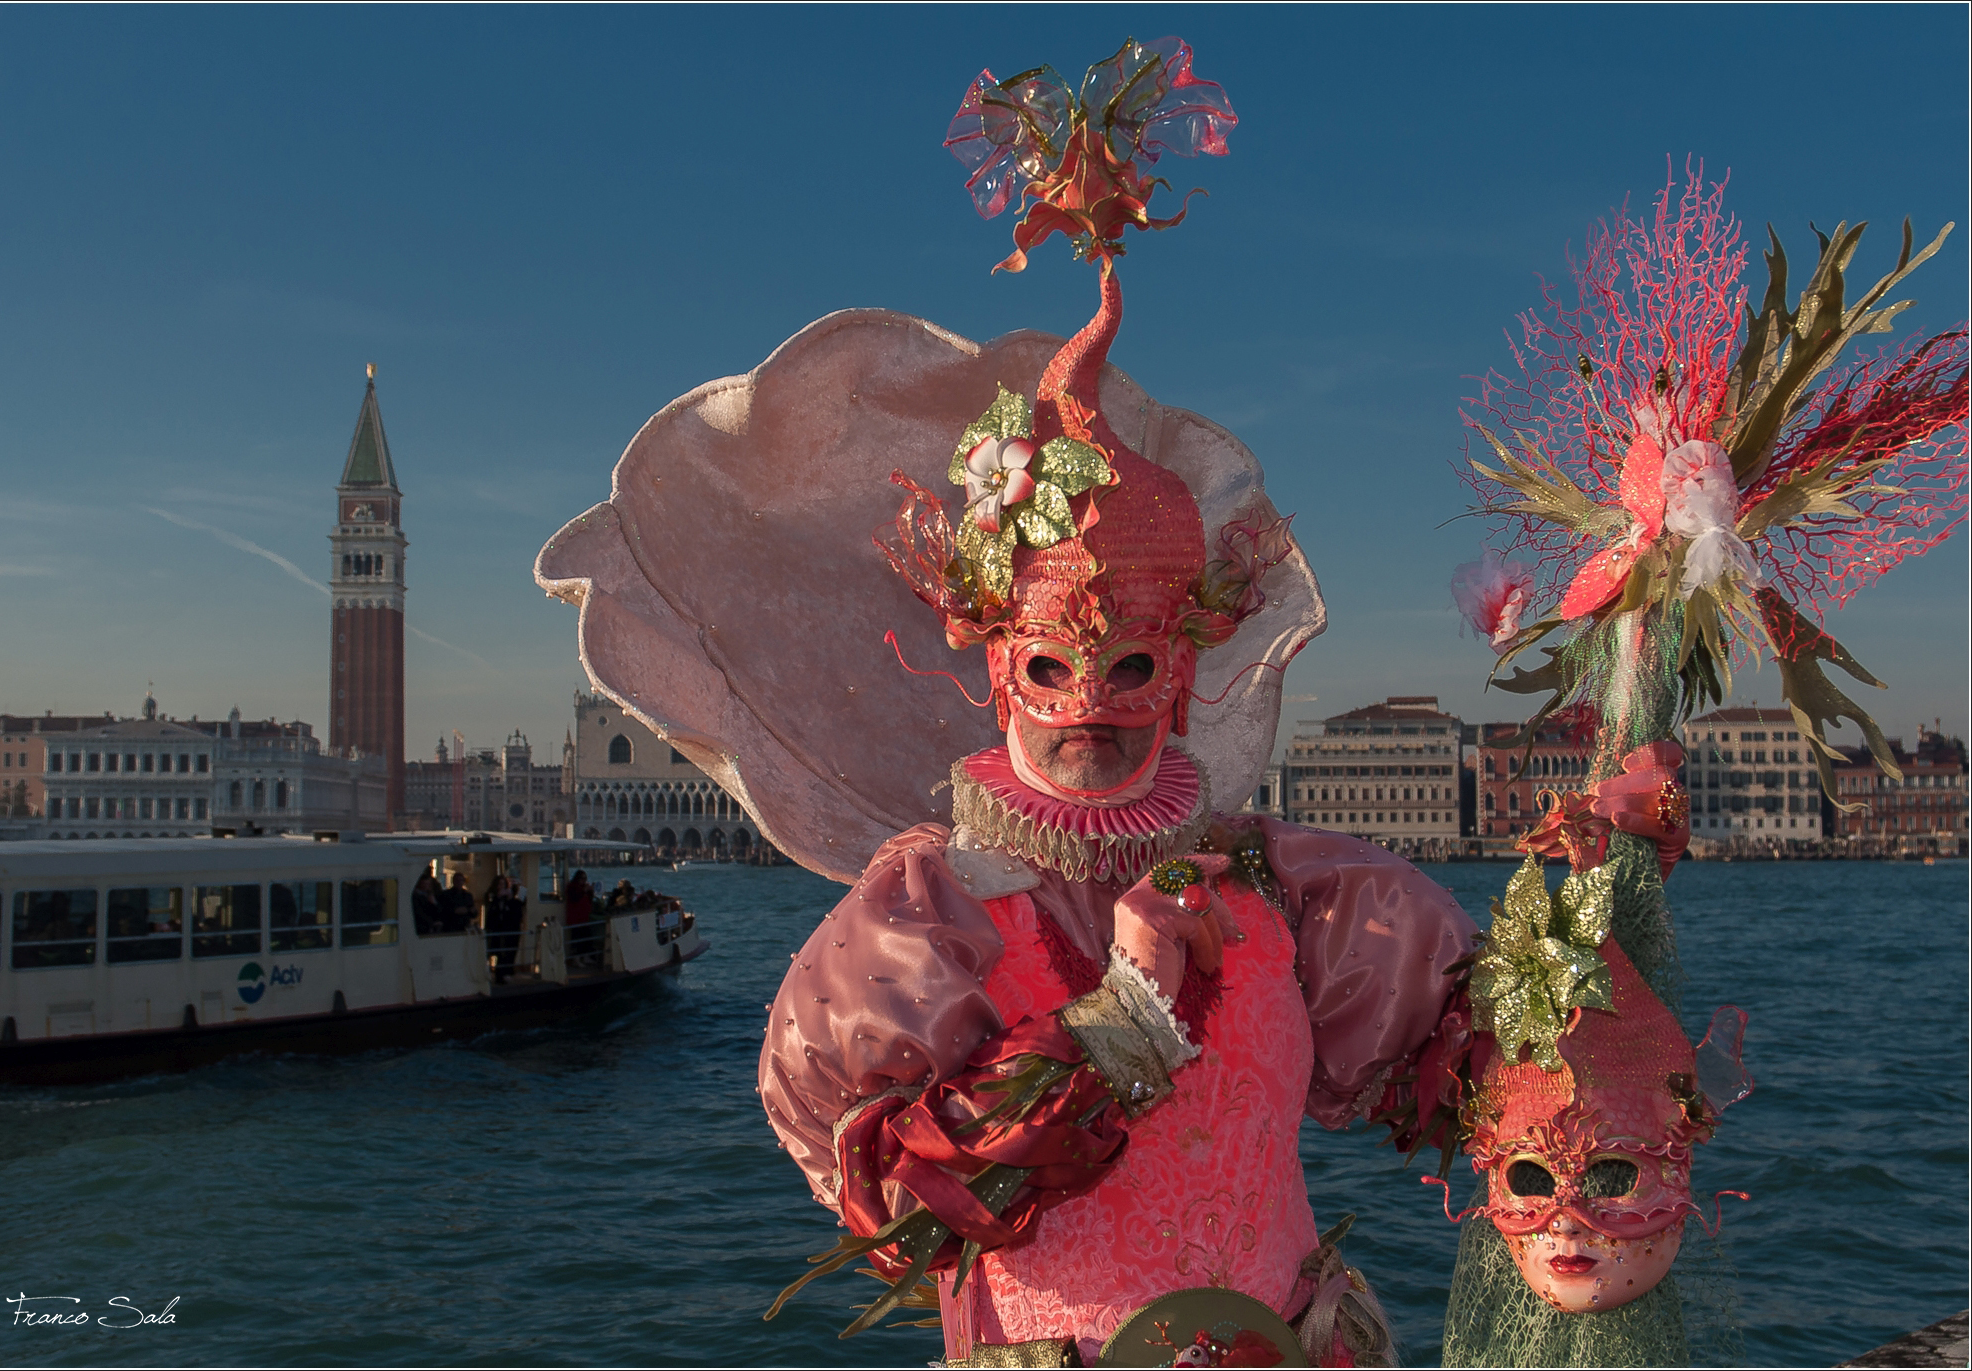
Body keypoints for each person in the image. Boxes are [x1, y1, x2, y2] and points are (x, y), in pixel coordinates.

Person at [537, 38, 1472, 1364]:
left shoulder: (1290, 893)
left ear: (1189, 663)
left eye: (1132, 664)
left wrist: (1597, 886)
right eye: (1049, 664)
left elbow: (1485, 1070)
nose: (1088, 706)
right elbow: (902, 1204)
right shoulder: (923, 921)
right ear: (991, 660)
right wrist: (1128, 1013)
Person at [483, 874, 520, 983]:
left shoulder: (509, 899)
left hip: (507, 929)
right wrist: (498, 897)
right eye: (499, 884)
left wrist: (509, 898)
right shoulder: (491, 896)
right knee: (497, 951)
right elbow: (490, 910)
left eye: (503, 884)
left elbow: (516, 912)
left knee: (507, 952)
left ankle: (505, 973)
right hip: (495, 929)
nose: (501, 887)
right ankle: (498, 975)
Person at [564, 869, 595, 964]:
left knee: (586, 938)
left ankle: (586, 957)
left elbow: (589, 900)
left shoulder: (583, 888)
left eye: (585, 878)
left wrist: (590, 891)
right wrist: (584, 890)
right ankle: (576, 959)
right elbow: (574, 899)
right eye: (582, 878)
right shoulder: (572, 887)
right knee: (577, 939)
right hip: (576, 918)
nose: (584, 881)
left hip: (584, 918)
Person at [411, 870, 441, 937]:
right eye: (424, 884)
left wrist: (434, 903)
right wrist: (431, 923)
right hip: (421, 928)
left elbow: (439, 910)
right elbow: (418, 913)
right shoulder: (415, 897)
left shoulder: (431, 895)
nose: (426, 886)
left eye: (428, 884)